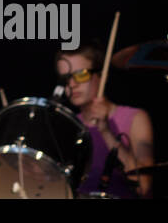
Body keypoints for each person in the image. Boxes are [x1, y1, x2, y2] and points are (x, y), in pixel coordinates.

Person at [55, 42, 154, 198]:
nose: (72, 84)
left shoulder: (135, 118)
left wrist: (106, 131)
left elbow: (143, 186)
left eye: (81, 74)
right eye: (66, 78)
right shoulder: (68, 127)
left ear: (102, 75)